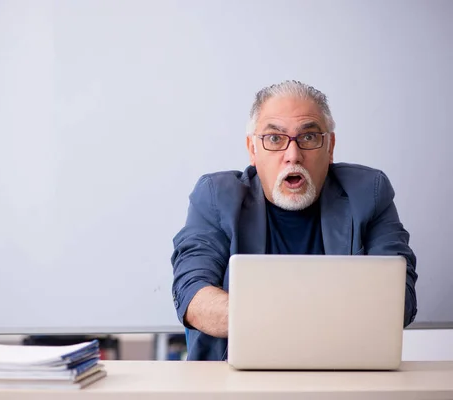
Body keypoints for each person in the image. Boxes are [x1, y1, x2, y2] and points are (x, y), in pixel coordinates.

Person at [170, 80, 418, 361]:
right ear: (253, 149)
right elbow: (193, 296)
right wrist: (312, 316)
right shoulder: (215, 198)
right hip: (235, 382)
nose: (293, 156)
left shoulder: (369, 193)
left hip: (344, 373)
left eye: (309, 137)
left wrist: (275, 316)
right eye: (275, 139)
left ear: (330, 146)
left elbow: (400, 302)